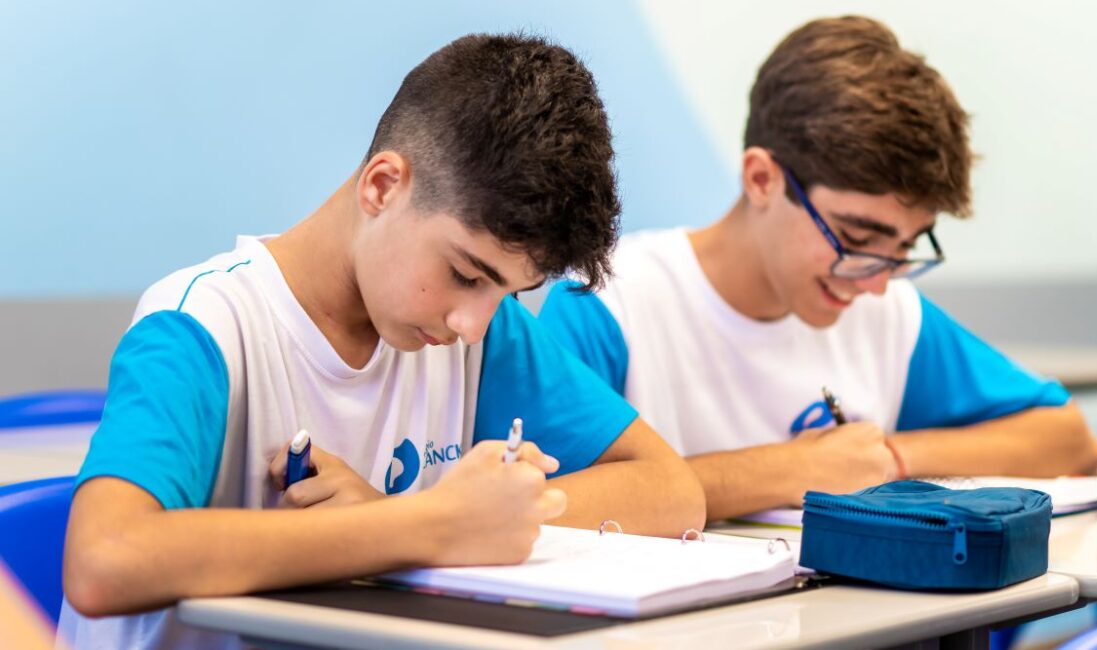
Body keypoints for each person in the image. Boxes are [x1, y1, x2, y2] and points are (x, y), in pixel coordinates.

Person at [59, 33, 705, 649]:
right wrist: (429, 524)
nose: (472, 322)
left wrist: (421, 519)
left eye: (506, 293)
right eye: (464, 274)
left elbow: (671, 490)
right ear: (383, 186)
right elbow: (103, 559)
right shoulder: (204, 325)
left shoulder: (478, 334)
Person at [538, 16, 1097, 523]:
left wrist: (888, 456)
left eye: (905, 246)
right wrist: (789, 469)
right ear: (762, 179)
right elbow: (546, 502)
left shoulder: (887, 312)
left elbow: (1068, 438)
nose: (878, 281)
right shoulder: (608, 302)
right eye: (856, 238)